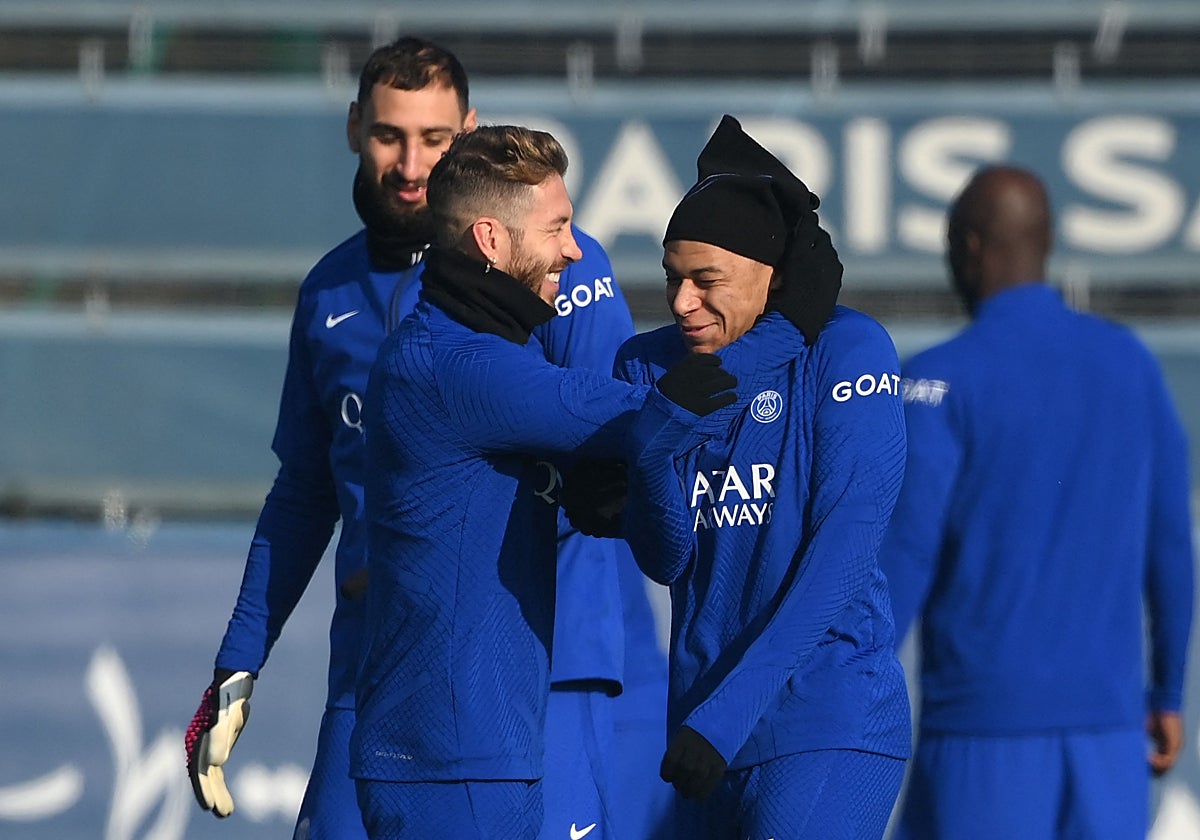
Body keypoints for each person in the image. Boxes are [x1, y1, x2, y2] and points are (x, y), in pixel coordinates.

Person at [183, 37, 672, 840]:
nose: (411, 165)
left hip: (538, 676)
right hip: (379, 673)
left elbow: (612, 447)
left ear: (469, 135)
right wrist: (242, 653)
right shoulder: (329, 294)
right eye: (389, 136)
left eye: (435, 140)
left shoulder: (563, 270)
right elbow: (306, 492)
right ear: (352, 129)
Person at [350, 123, 736, 839]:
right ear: (493, 242)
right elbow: (649, 411)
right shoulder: (458, 364)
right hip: (453, 762)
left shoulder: (467, 347)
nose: (572, 248)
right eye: (558, 227)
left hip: (477, 753)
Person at [574, 115, 912, 839]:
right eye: (672, 280)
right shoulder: (645, 363)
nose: (682, 302)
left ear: (774, 276)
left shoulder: (849, 349)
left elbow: (843, 558)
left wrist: (722, 720)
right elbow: (669, 559)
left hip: (825, 717)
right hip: (702, 734)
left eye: (707, 280)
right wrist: (655, 447)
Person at [879, 164, 1195, 839]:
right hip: (1109, 734)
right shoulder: (1130, 362)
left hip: (982, 732)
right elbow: (1171, 542)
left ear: (968, 246)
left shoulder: (938, 378)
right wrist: (1167, 694)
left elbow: (903, 557)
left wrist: (845, 692)